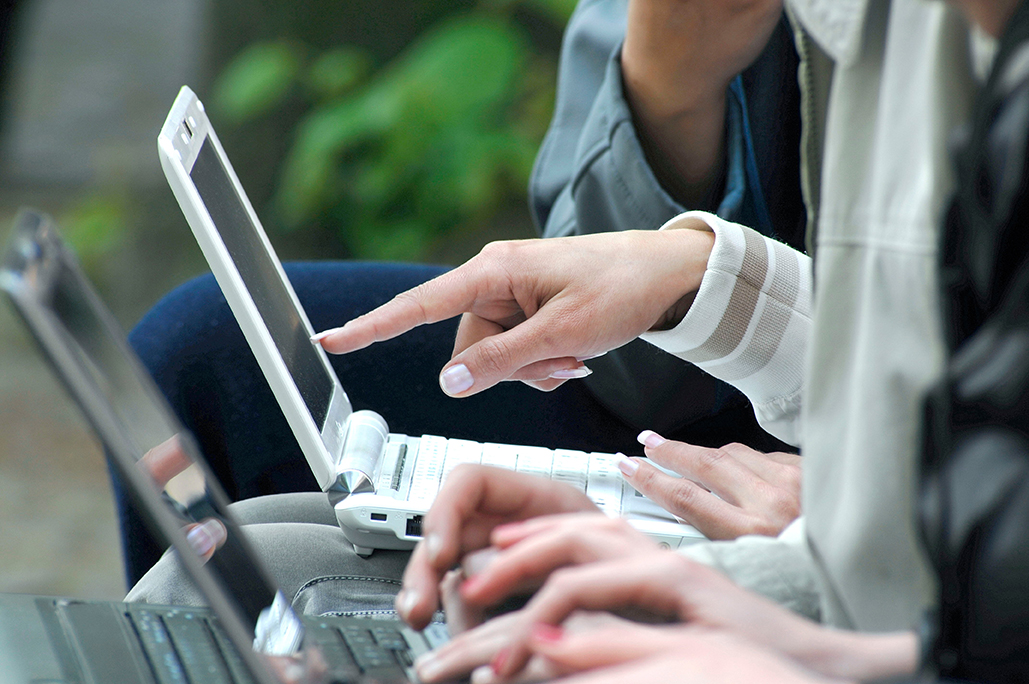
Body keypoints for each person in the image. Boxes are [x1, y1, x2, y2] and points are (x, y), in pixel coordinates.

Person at [117, 0, 806, 587]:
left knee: (271, 552)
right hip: (778, 365)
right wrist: (668, 92)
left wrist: (862, 506)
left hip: (860, 449)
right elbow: (636, 377)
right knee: (206, 349)